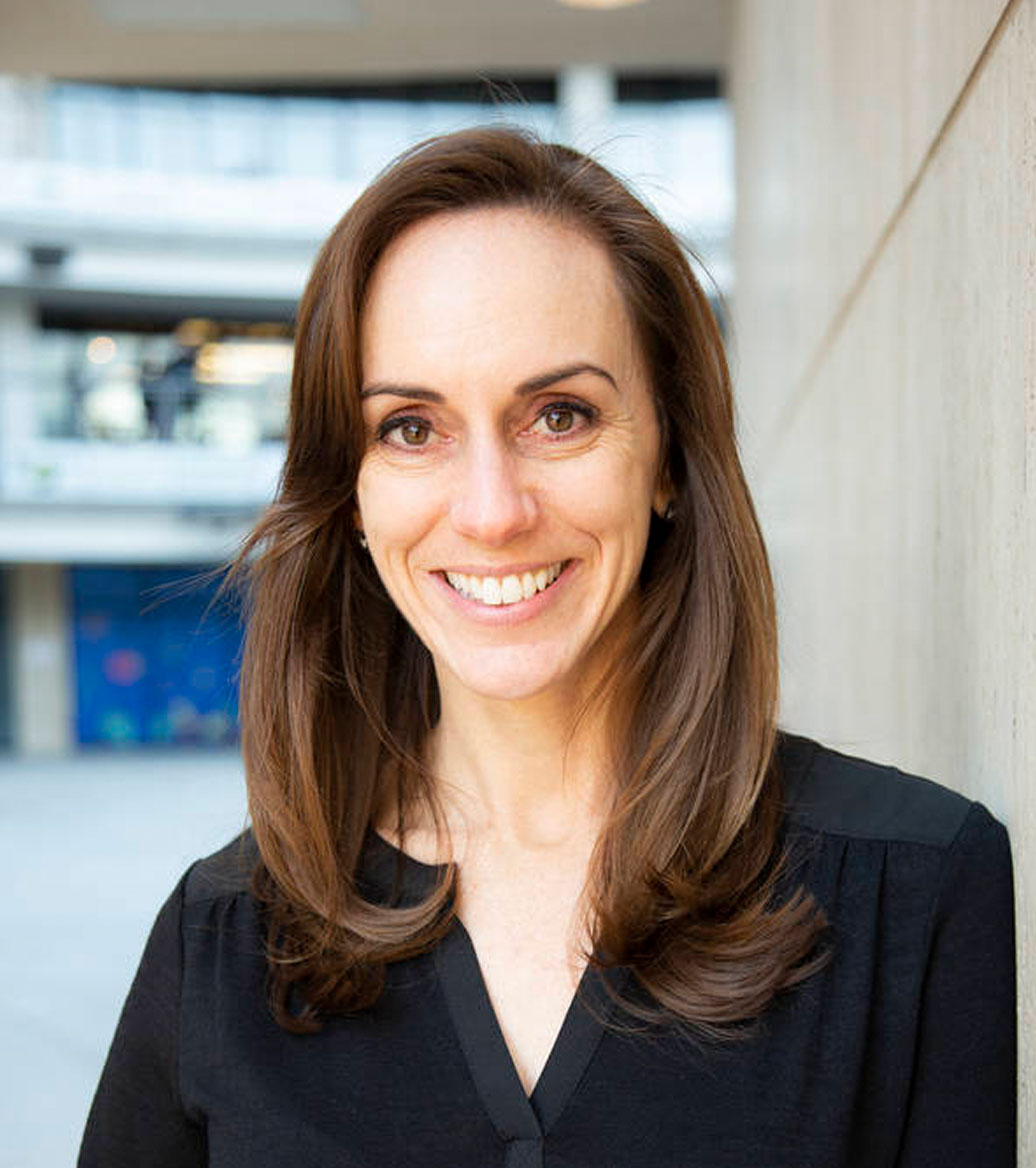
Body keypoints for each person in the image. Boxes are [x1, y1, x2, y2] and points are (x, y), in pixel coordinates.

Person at [79, 126, 1016, 1167]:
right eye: (409, 427)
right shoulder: (218, 943)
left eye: (559, 414)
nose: (490, 510)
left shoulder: (918, 888)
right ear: (349, 493)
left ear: (667, 457)